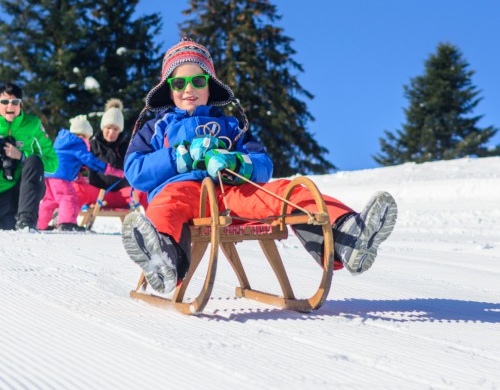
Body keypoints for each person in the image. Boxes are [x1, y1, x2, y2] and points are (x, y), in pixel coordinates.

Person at [121, 38, 398, 294]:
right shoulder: (156, 128)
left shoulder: (230, 125)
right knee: (165, 206)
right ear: (169, 90)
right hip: (182, 192)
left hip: (230, 192)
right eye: (179, 84)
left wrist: (237, 162)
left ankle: (347, 235)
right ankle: (163, 257)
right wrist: (179, 158)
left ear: (210, 85)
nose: (189, 89)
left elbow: (264, 164)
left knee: (286, 191)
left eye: (198, 80)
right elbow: (135, 170)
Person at [37, 115, 125, 232]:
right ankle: (67, 223)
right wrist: (111, 170)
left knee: (49, 201)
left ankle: (39, 224)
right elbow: (91, 161)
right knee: (69, 197)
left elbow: (69, 162)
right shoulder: (78, 144)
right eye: (88, 138)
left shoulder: (63, 142)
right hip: (61, 178)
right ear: (83, 136)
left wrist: (78, 176)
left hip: (48, 176)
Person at [0, 82, 58, 231]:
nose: (10, 107)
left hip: (23, 194)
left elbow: (53, 164)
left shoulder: (32, 124)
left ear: (21, 104)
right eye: (4, 102)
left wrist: (21, 156)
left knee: (34, 160)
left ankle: (26, 222)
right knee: (6, 226)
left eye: (15, 102)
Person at [72, 98, 148, 210]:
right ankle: (66, 218)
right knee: (74, 188)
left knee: (147, 188)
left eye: (115, 129)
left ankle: (154, 224)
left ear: (120, 130)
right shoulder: (92, 145)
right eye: (108, 128)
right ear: (103, 127)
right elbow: (80, 166)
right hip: (98, 194)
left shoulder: (128, 147)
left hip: (122, 194)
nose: (111, 132)